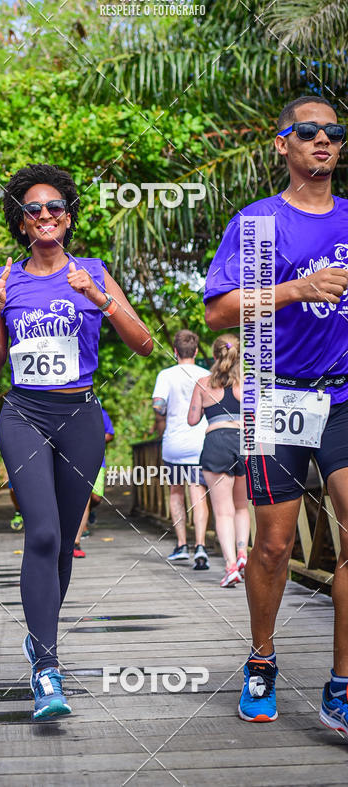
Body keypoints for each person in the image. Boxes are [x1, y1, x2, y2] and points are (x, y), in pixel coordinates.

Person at [0, 163, 153, 719]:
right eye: (34, 209)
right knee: (45, 533)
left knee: (65, 544)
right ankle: (47, 667)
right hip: (24, 414)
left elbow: (145, 344)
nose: (45, 215)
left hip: (80, 418)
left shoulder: (94, 271)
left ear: (67, 218)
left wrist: (100, 299)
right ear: (23, 223)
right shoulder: (9, 281)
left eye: (55, 207)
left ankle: (40, 634)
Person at [204, 95, 348, 729]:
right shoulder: (259, 223)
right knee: (274, 545)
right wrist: (298, 289)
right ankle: (261, 663)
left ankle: (341, 684)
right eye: (308, 131)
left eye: (334, 132)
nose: (323, 140)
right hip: (277, 397)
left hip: (343, 393)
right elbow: (218, 313)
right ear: (282, 145)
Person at [187, 334, 250, 587]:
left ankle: (231, 566)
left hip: (216, 442)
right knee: (242, 507)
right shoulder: (248, 383)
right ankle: (244, 552)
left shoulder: (203, 383)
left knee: (223, 512)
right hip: (244, 442)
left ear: (214, 355)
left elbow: (192, 420)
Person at [152, 330, 210, 570]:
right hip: (200, 443)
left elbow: (158, 405)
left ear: (175, 351)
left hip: (174, 444)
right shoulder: (207, 374)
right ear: (196, 352)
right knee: (198, 493)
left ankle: (181, 545)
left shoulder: (166, 375)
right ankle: (201, 547)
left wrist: (164, 410)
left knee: (176, 492)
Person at [73, 405, 115, 558]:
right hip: (72, 460)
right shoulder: (68, 410)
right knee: (81, 499)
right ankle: (74, 541)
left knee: (95, 497)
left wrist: (95, 438)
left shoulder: (100, 412)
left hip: (96, 461)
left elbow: (110, 434)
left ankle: (76, 540)